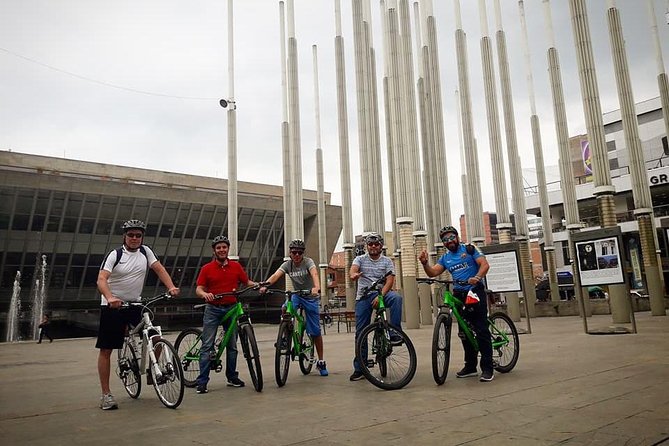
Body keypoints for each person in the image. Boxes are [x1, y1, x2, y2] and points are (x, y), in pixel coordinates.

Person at [96, 219, 180, 410]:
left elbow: (159, 269)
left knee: (155, 336)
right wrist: (109, 297)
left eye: (138, 235)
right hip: (113, 305)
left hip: (135, 304)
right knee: (106, 349)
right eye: (131, 235)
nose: (134, 238)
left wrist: (171, 286)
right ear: (124, 236)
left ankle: (153, 370)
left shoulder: (145, 251)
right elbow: (101, 279)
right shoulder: (115, 254)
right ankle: (106, 394)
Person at [418, 225, 493, 382]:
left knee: (481, 329)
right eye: (445, 240)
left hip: (474, 289)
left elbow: (484, 265)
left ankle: (487, 368)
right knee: (464, 332)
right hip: (459, 293)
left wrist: (477, 277)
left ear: (457, 237)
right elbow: (433, 272)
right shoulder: (445, 258)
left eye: (452, 237)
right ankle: (470, 366)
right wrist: (425, 263)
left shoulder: (470, 249)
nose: (449, 241)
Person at [194, 235, 258, 394]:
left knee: (232, 346)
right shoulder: (206, 268)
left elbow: (246, 281)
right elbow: (199, 288)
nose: (222, 250)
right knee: (207, 345)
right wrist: (204, 294)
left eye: (224, 247)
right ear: (214, 251)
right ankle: (202, 381)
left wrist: (259, 285)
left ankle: (232, 376)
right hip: (213, 309)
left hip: (231, 308)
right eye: (218, 248)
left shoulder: (236, 266)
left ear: (228, 249)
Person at [259, 239, 328, 376]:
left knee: (315, 331)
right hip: (296, 295)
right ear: (290, 253)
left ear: (303, 254)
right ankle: (285, 336)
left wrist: (317, 287)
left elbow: (314, 274)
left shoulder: (308, 262)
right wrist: (265, 285)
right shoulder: (287, 265)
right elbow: (275, 276)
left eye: (299, 252)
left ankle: (321, 362)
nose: (297, 255)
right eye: (294, 252)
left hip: (310, 296)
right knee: (285, 308)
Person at [348, 232, 403, 381]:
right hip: (364, 297)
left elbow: (390, 281)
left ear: (381, 246)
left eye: (376, 244)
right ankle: (360, 368)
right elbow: (352, 271)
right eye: (370, 244)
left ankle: (394, 333)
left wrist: (381, 296)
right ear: (366, 246)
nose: (373, 246)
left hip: (382, 293)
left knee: (397, 298)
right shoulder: (360, 259)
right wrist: (354, 275)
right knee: (361, 332)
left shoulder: (387, 261)